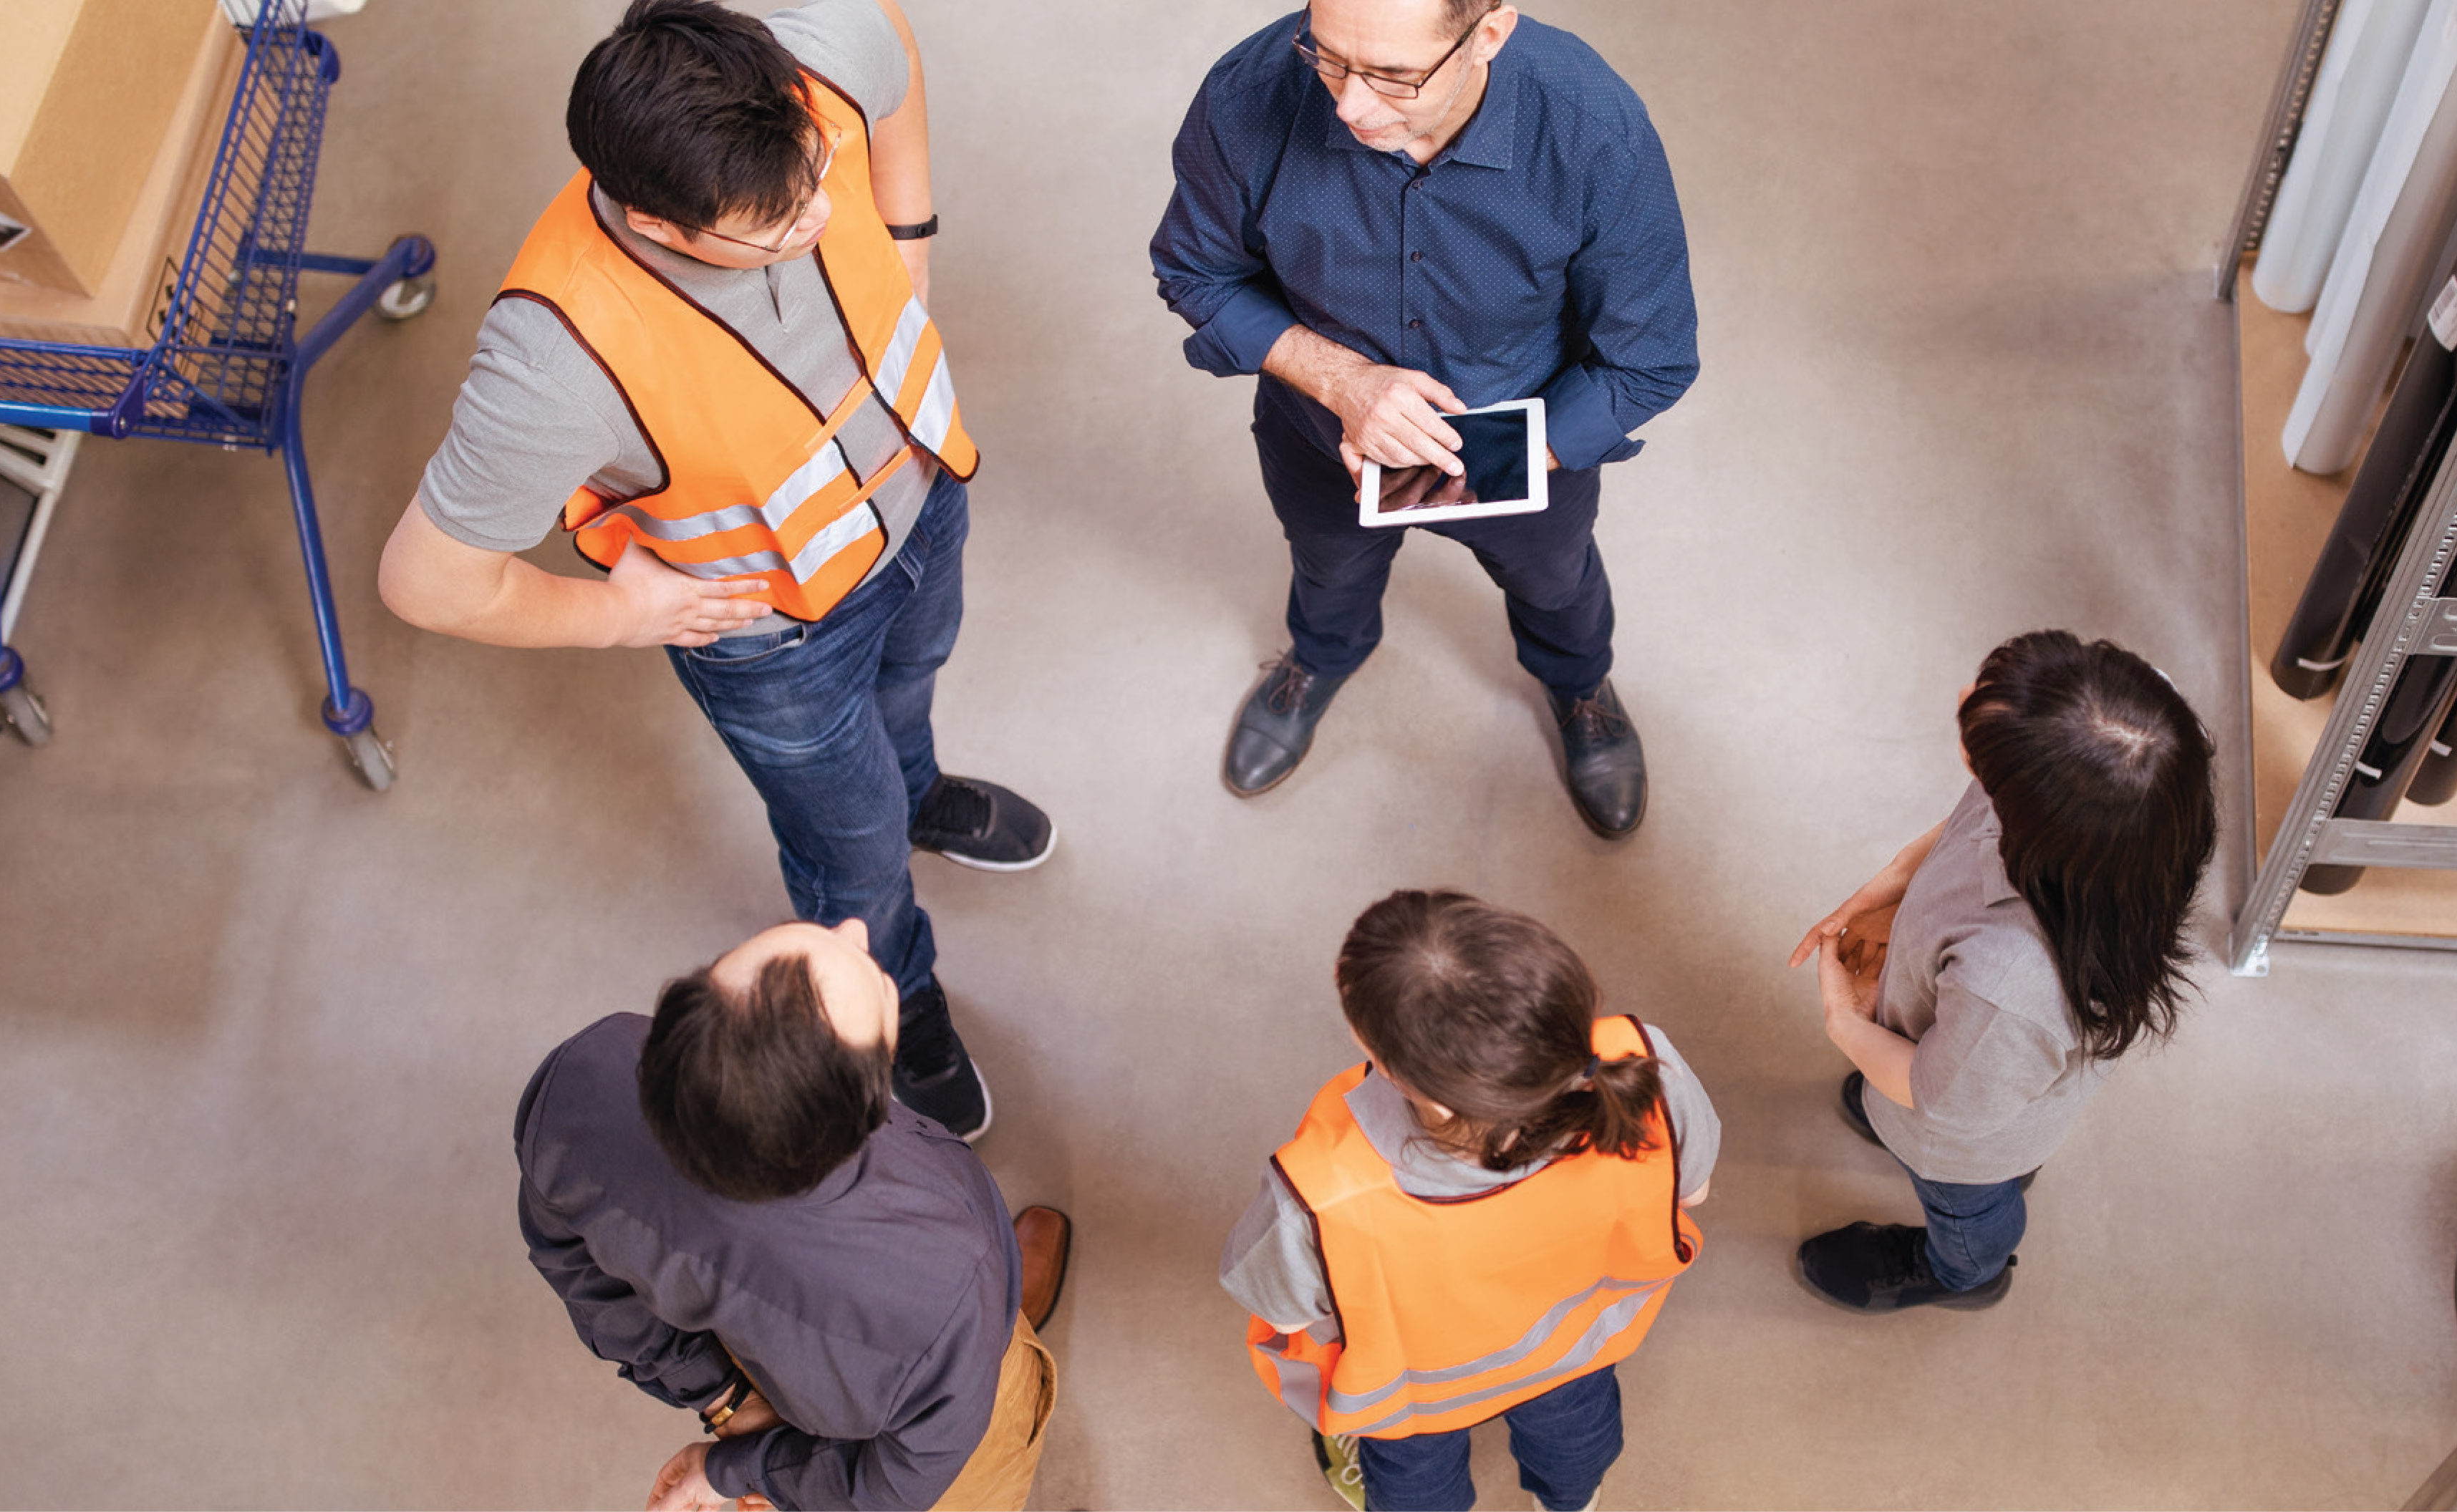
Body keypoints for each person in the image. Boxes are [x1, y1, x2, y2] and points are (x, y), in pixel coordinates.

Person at [380, 0, 1040, 1139]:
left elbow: (889, 44)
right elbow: (427, 579)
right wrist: (622, 615)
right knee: (853, 855)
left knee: (916, 677)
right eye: (777, 227)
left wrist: (910, 234)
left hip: (924, 495)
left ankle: (921, 788)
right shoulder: (556, 360)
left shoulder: (812, 63)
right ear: (660, 222)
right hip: (778, 641)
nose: (821, 218)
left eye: (819, 177)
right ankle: (900, 988)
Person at [1152, 0, 1700, 838]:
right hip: (1321, 435)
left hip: (1530, 447)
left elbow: (1650, 357)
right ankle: (1321, 658)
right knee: (1327, 570)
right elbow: (1195, 272)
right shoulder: (1248, 93)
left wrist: (1496, 458)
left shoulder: (1595, 132)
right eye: (1327, 56)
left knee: (1557, 587)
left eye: (1394, 76)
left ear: (1488, 34)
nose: (1348, 105)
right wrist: (1344, 383)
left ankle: (1580, 686)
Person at [514, 916, 1074, 1511]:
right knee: (974, 1415)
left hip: (859, 1353)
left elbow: (567, 1254)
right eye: (871, 979)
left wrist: (723, 1398)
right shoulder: (943, 1276)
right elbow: (893, 1488)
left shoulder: (582, 1080)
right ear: (866, 1110)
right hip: (936, 1366)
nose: (853, 928)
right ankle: (992, 1341)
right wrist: (743, 1471)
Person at [1222, 891, 1714, 1511]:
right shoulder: (1645, 1071)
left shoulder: (1322, 1191)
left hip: (1411, 1393)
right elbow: (1693, 1191)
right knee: (1576, 1443)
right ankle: (1570, 1501)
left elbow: (1284, 1314)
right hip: (1574, 1346)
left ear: (1403, 1076)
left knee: (1416, 1484)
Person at [1785, 631, 2216, 1312]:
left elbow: (1941, 1099)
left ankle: (1963, 1273)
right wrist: (1898, 882)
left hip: (1959, 1137)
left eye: (1987, 766)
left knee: (1966, 1207)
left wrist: (1847, 1022)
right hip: (1980, 1066)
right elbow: (1970, 821)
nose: (1965, 698)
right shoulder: (2125, 784)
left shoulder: (2008, 985)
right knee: (1902, 1094)